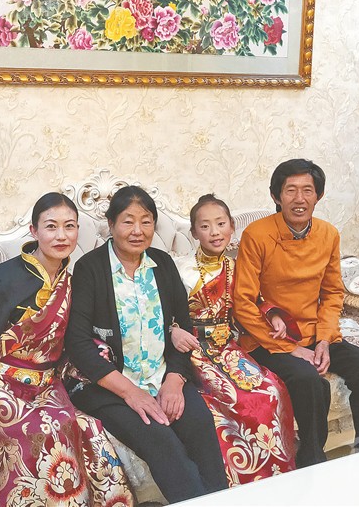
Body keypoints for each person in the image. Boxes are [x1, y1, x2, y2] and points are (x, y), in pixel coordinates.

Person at [0, 192, 133, 507]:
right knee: (45, 431)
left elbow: (69, 338)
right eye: (51, 226)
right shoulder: (4, 278)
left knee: (86, 426)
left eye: (70, 226)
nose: (61, 236)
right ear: (34, 231)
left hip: (47, 384)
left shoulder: (71, 283)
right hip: (1, 383)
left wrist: (96, 347)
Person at [64, 186, 229, 503]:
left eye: (146, 221)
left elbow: (181, 326)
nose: (137, 231)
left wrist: (175, 380)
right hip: (109, 385)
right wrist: (131, 392)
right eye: (128, 221)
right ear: (111, 224)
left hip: (161, 374)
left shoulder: (162, 264)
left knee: (200, 424)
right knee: (161, 440)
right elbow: (78, 343)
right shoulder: (89, 269)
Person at [233, 159, 359, 468]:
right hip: (269, 337)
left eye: (307, 190)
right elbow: (242, 301)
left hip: (315, 332)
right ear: (276, 196)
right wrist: (290, 349)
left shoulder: (328, 234)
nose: (299, 199)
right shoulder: (257, 234)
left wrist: (325, 341)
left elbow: (332, 294)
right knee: (310, 381)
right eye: (290, 190)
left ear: (319, 196)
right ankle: (312, 461)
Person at [169, 194, 296, 484]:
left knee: (271, 390)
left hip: (229, 347)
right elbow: (165, 311)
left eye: (221, 224)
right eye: (205, 226)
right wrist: (173, 330)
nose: (214, 232)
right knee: (230, 398)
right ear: (193, 232)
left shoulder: (238, 266)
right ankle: (234, 479)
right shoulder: (179, 268)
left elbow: (255, 300)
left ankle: (277, 476)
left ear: (232, 227)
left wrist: (274, 315)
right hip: (194, 351)